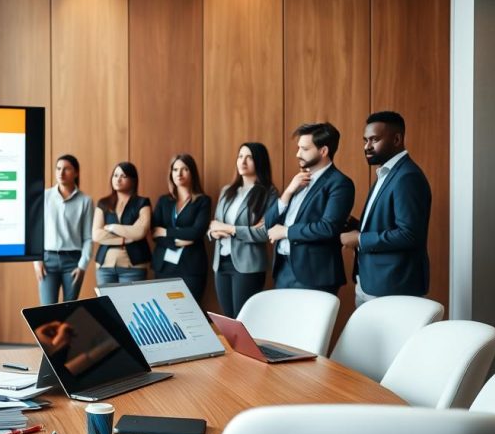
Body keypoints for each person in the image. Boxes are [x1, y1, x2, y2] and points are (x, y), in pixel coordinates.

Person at [340, 111, 431, 306]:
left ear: (397, 139)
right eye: (365, 140)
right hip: (370, 282)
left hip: (393, 287)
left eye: (374, 140)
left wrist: (359, 239)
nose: (367, 147)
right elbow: (388, 224)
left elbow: (409, 234)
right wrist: (355, 224)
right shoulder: (386, 173)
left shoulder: (408, 177)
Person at [265, 122, 355, 295]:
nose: (297, 154)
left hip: (314, 274)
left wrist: (286, 232)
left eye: (304, 149)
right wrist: (288, 192)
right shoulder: (299, 181)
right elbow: (269, 223)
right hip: (284, 268)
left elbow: (328, 228)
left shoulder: (340, 183)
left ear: (323, 151)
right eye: (298, 148)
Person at [208, 143, 277, 317]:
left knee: (243, 321)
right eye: (240, 156)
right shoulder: (227, 190)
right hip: (221, 263)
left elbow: (263, 233)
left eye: (249, 157)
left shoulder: (269, 193)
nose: (242, 161)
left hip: (248, 265)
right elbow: (214, 224)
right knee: (227, 319)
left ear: (259, 161)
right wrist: (213, 231)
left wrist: (230, 229)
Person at [34, 155, 94, 304]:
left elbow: (88, 237)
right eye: (58, 168)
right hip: (47, 261)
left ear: (76, 173)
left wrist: (82, 266)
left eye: (66, 169)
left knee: (70, 312)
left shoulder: (85, 201)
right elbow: (36, 232)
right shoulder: (44, 196)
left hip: (73, 262)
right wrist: (37, 260)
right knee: (46, 311)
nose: (61, 173)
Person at [151, 154, 211, 300]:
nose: (179, 173)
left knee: (189, 314)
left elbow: (196, 232)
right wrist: (178, 241)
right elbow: (154, 232)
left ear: (192, 173)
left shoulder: (203, 201)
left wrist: (166, 231)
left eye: (184, 169)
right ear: (171, 173)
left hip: (191, 268)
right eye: (175, 169)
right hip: (164, 266)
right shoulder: (164, 201)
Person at [92, 162, 151, 284]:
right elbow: (96, 235)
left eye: (123, 176)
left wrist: (112, 227)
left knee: (130, 303)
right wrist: (125, 239)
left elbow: (140, 232)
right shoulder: (103, 203)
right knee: (106, 303)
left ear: (133, 180)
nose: (118, 179)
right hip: (104, 267)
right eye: (115, 175)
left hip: (133, 267)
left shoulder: (142, 203)